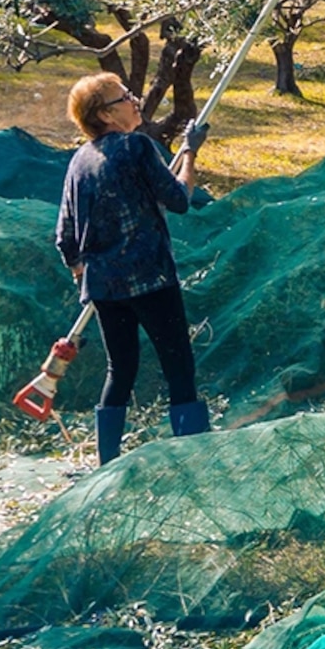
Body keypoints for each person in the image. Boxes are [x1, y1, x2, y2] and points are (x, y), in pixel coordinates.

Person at [56, 72, 213, 461]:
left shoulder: (79, 161)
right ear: (106, 115)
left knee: (120, 370)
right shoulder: (137, 147)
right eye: (124, 97)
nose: (134, 100)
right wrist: (191, 151)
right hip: (151, 279)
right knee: (178, 365)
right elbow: (178, 199)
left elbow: (65, 236)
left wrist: (81, 270)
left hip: (105, 287)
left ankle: (107, 462)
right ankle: (192, 456)